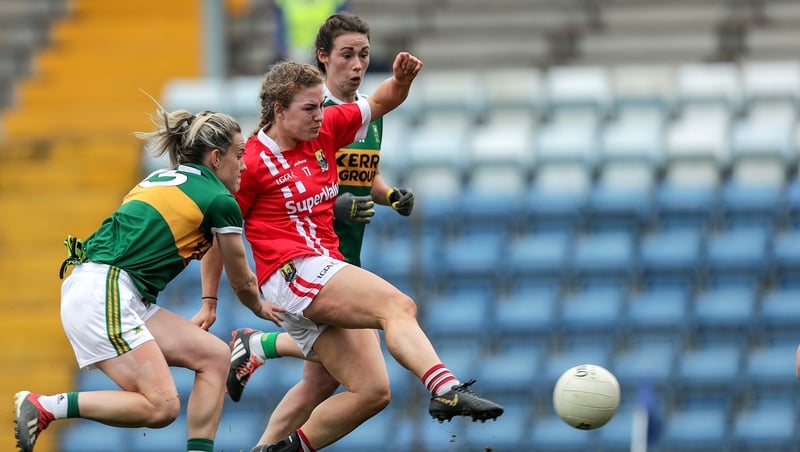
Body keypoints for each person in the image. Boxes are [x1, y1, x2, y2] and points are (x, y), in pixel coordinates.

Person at [201, 52, 503, 452]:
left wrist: (403, 80)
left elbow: (380, 102)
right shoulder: (253, 162)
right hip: (292, 273)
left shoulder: (324, 130)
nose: (319, 115)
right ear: (278, 110)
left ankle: (275, 449)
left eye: (320, 106)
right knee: (398, 306)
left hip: (319, 272)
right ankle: (445, 388)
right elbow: (219, 232)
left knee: (372, 392)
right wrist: (209, 300)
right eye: (309, 108)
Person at [13, 107, 286, 452]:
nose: (244, 165)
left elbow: (216, 240)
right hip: (106, 291)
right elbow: (243, 280)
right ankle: (47, 406)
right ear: (216, 158)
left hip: (108, 290)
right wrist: (259, 307)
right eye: (239, 154)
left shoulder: (169, 180)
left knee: (215, 357)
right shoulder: (219, 199)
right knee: (162, 406)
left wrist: (209, 302)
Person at [222, 13, 416, 446]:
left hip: (343, 252)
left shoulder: (368, 112)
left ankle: (262, 431)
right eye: (347, 55)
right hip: (311, 261)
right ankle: (260, 348)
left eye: (364, 55)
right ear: (323, 58)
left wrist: (388, 196)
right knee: (359, 361)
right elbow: (267, 198)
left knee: (321, 382)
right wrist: (337, 205)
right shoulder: (309, 110)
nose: (358, 64)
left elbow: (365, 173)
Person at [273, 0, 349, 63]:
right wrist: (284, 50)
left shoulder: (336, 2)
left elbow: (342, 28)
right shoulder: (285, 2)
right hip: (296, 51)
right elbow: (279, 29)